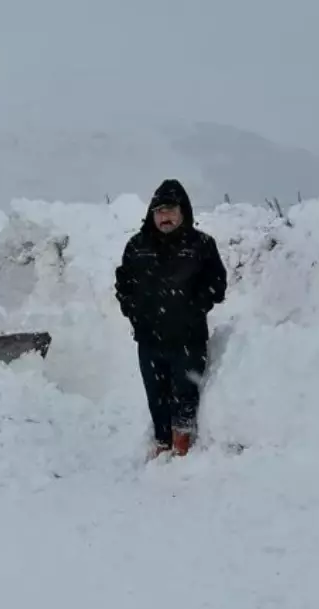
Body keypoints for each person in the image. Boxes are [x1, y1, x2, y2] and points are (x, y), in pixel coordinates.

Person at [114, 178, 228, 460]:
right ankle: (162, 441)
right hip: (150, 338)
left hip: (188, 337)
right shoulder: (137, 246)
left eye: (171, 210)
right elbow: (123, 284)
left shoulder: (201, 245)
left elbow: (217, 284)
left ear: (183, 212)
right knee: (157, 395)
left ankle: (181, 445)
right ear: (152, 214)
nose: (165, 217)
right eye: (159, 211)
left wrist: (194, 307)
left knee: (186, 392)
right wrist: (134, 311)